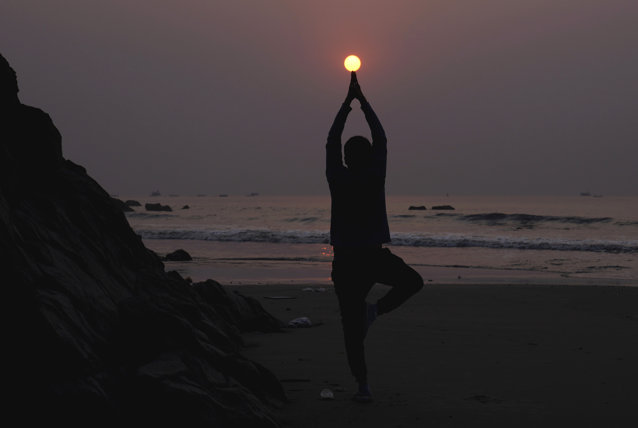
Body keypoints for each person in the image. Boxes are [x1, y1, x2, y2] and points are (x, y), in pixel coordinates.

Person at [326, 71, 424, 403]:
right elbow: (381, 138)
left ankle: (363, 385)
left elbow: (332, 141)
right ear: (366, 157)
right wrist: (361, 100)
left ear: (347, 158)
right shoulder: (373, 175)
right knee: (412, 283)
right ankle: (375, 315)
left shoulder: (337, 176)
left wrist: (347, 104)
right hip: (368, 257)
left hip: (351, 261)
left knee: (352, 330)